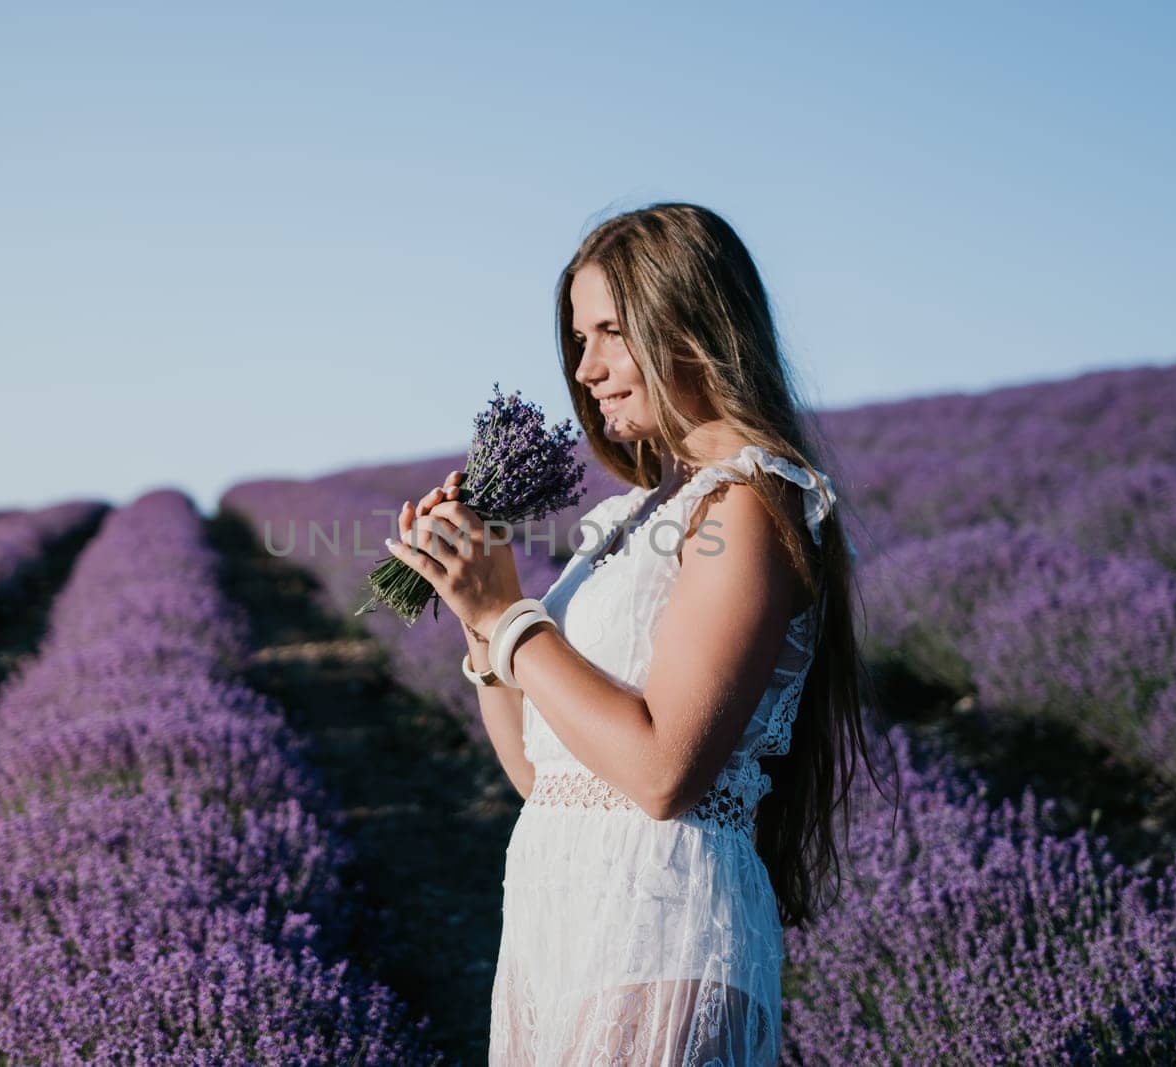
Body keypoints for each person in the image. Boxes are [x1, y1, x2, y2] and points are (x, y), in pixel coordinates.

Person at [383, 202, 897, 1065]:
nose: (584, 369)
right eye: (579, 339)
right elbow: (544, 775)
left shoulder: (747, 505)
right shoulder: (630, 517)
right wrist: (479, 621)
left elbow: (662, 774)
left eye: (609, 332)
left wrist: (514, 616)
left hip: (661, 933)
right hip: (560, 926)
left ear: (692, 320)